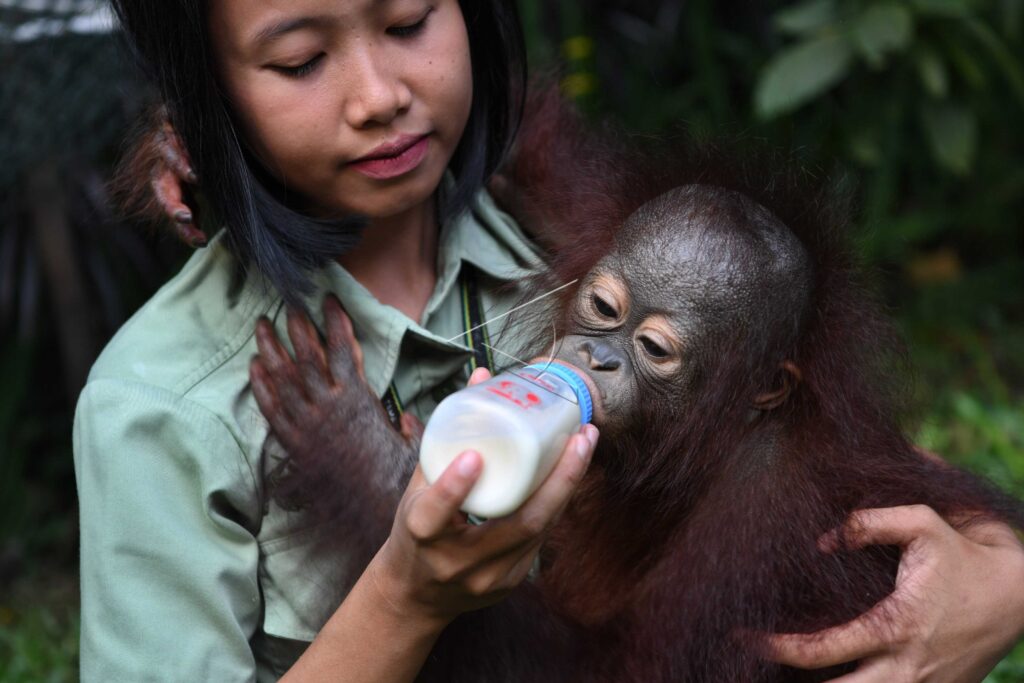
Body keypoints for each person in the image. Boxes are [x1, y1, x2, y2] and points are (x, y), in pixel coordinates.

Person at [74, 1, 1024, 682]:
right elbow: (537, 133)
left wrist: (999, 581)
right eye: (296, 62)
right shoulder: (168, 409)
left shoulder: (754, 496)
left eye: (408, 23)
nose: (379, 97)